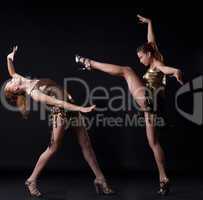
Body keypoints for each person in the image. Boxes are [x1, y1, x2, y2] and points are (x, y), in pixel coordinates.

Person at [75, 14, 183, 195]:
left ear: (149, 55)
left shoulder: (157, 64)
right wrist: (150, 23)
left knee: (127, 71)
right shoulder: (155, 56)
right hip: (153, 105)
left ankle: (89, 63)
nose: (140, 60)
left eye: (141, 57)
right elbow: (151, 42)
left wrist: (176, 71)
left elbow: (168, 70)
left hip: (150, 99)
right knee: (153, 143)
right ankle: (164, 178)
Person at [3, 46, 114, 197]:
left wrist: (9, 57)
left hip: (70, 107)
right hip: (60, 113)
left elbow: (12, 71)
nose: (12, 79)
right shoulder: (33, 93)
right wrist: (82, 109)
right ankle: (31, 179)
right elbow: (60, 104)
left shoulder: (20, 79)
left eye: (10, 80)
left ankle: (101, 179)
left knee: (86, 144)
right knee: (53, 148)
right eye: (10, 83)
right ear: (16, 90)